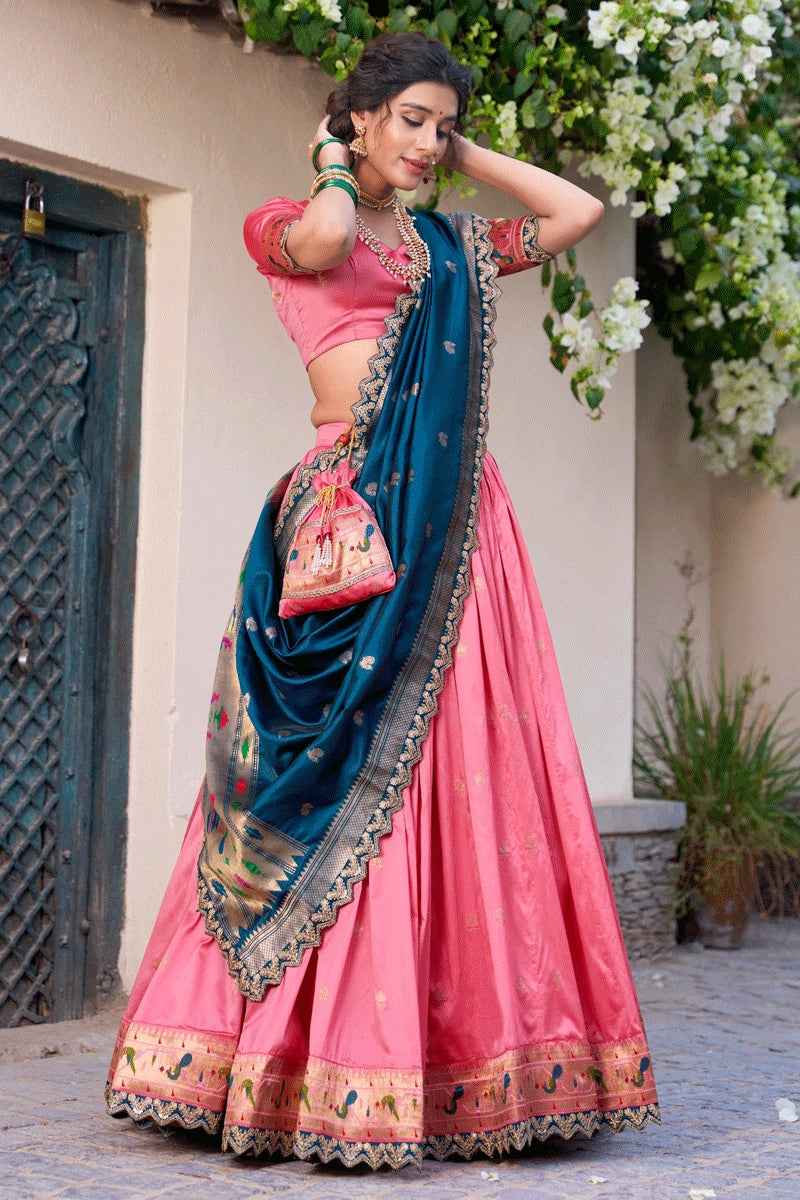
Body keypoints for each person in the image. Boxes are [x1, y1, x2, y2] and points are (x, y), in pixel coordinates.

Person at [106, 32, 659, 1170]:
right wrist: (332, 160)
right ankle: (269, 1059)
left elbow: (573, 214)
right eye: (409, 118)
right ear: (356, 116)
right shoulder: (286, 222)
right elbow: (320, 238)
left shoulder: (450, 248)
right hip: (347, 525)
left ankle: (444, 1061)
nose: (427, 142)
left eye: (441, 125)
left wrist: (466, 152)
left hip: (452, 527)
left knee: (451, 776)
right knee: (322, 761)